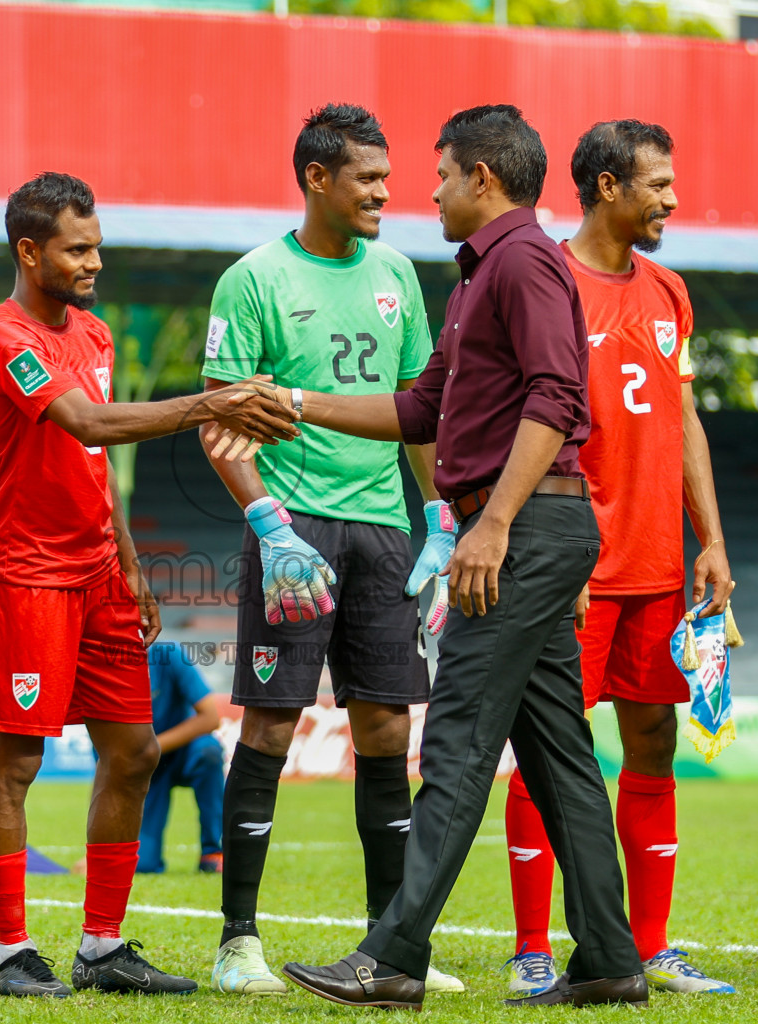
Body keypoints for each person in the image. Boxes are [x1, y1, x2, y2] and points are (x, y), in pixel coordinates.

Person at [270, 104, 647, 1010]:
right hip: (527, 530)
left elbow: (559, 396)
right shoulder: (482, 275)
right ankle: (608, 958)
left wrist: (492, 525)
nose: (424, 192)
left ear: (482, 175)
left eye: (439, 174)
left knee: (458, 739)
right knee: (560, 761)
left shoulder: (522, 261)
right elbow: (418, 410)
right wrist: (289, 400)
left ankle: (394, 953)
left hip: (520, 532)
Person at [0, 171, 296, 1000]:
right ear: (29, 250)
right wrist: (212, 401)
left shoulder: (98, 335)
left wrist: (131, 559)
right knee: (16, 760)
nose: (95, 262)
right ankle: (14, 955)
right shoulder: (3, 338)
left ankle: (102, 948)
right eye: (78, 249)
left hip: (100, 573)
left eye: (98, 246)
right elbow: (87, 423)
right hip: (27, 575)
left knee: (137, 748)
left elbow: (95, 463)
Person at [199, 103, 460, 998]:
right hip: (296, 526)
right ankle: (238, 941)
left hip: (386, 530)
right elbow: (220, 423)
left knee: (389, 726)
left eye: (389, 177)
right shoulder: (253, 279)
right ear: (318, 178)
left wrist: (441, 516)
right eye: (369, 179)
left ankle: (390, 945)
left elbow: (416, 409)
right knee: (271, 721)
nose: (388, 193)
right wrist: (268, 524)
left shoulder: (396, 272)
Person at [500, 120, 735, 998]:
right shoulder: (546, 279)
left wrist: (710, 541)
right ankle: (531, 949)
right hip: (572, 567)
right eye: (659, 185)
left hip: (659, 569)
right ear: (606, 186)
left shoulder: (670, 290)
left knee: (654, 741)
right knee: (548, 749)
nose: (673, 201)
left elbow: (684, 427)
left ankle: (651, 945)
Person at [136, 642, 224, 875]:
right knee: (141, 865)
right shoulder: (101, 665)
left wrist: (152, 748)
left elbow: (210, 719)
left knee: (209, 752)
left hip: (182, 751)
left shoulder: (167, 654)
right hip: (144, 768)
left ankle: (214, 850)